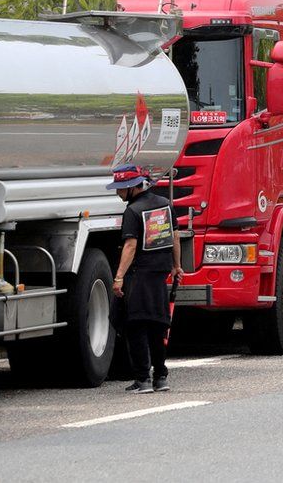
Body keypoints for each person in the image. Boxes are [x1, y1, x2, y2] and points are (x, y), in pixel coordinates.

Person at [107, 164, 182, 394]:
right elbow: (175, 236)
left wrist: (118, 277)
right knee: (157, 326)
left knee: (135, 326)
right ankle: (160, 376)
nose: (118, 192)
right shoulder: (165, 205)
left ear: (132, 187)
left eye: (121, 188)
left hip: (138, 276)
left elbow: (130, 246)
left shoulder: (133, 211)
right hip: (159, 275)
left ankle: (142, 380)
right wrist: (177, 266)